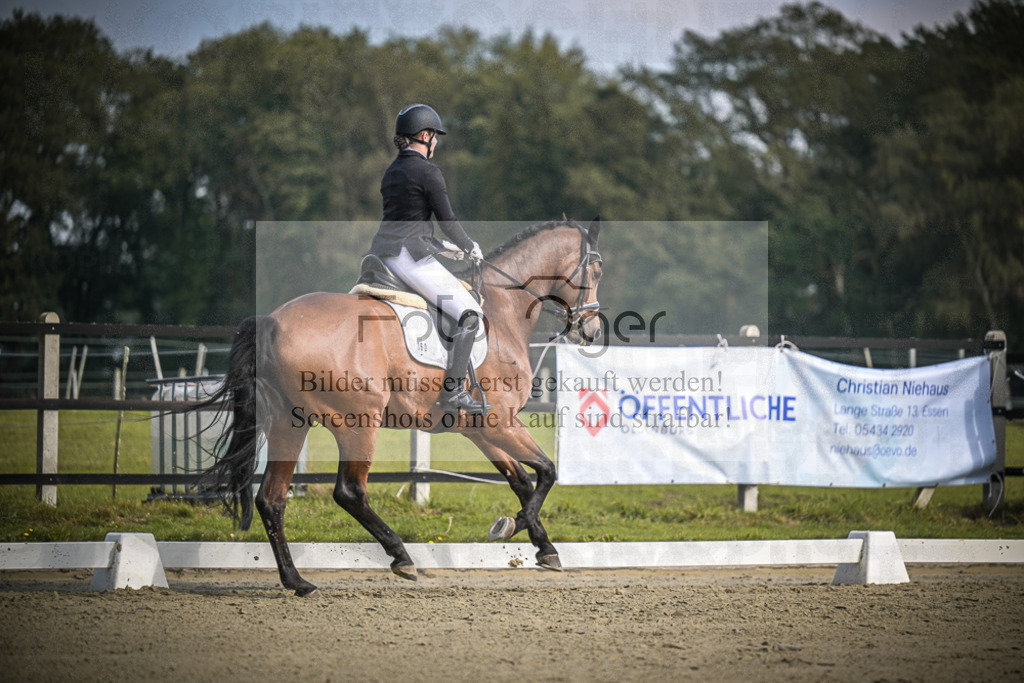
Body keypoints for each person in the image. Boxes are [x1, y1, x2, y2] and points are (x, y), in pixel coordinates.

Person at [366, 103, 488, 416]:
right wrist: (468, 244)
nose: (436, 143)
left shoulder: (392, 170)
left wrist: (443, 247)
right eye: (435, 137)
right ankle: (454, 393)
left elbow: (407, 220)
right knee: (470, 313)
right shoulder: (428, 171)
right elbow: (447, 218)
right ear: (425, 135)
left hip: (384, 254)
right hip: (410, 257)